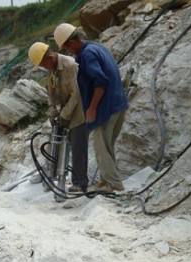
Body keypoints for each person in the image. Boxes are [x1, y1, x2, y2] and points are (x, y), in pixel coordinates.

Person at [54, 23, 128, 192]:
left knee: (100, 146)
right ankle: (105, 180)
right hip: (118, 104)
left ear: (71, 42)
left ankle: (113, 184)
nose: (68, 52)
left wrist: (92, 108)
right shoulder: (96, 47)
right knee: (107, 146)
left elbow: (100, 82)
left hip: (107, 107)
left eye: (67, 48)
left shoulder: (87, 55)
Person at [28, 42, 89, 192]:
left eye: (43, 64)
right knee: (58, 143)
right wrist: (52, 108)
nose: (43, 68)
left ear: (49, 57)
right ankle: (53, 175)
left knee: (77, 147)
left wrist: (64, 115)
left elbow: (77, 94)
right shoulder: (53, 68)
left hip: (79, 111)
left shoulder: (69, 66)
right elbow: (51, 90)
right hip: (64, 110)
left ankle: (80, 183)